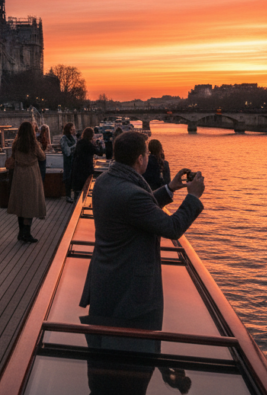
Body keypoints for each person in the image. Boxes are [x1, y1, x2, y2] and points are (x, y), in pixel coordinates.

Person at [79, 131, 204, 393]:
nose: (148, 158)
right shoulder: (130, 194)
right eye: (147, 154)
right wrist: (193, 197)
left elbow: (136, 209)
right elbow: (171, 227)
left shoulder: (105, 181)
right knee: (129, 372)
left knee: (104, 367)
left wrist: (170, 189)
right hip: (128, 292)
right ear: (140, 159)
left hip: (105, 282)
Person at [6, 121, 45, 243]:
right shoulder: (33, 144)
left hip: (19, 175)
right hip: (31, 174)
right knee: (30, 204)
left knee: (21, 204)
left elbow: (13, 157)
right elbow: (42, 157)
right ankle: (27, 233)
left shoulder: (16, 144)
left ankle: (20, 232)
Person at [70, 127, 103, 200]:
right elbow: (99, 153)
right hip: (86, 168)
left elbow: (75, 154)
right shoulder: (89, 144)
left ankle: (76, 202)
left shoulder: (79, 142)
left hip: (77, 167)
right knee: (86, 186)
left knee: (78, 189)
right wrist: (99, 144)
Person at [60, 123, 78, 201]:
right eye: (72, 129)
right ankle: (68, 196)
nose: (73, 130)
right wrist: (76, 146)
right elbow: (67, 151)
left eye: (74, 128)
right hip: (68, 161)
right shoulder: (64, 138)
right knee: (68, 177)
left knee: (73, 177)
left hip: (74, 161)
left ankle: (74, 195)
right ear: (68, 130)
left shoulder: (74, 137)